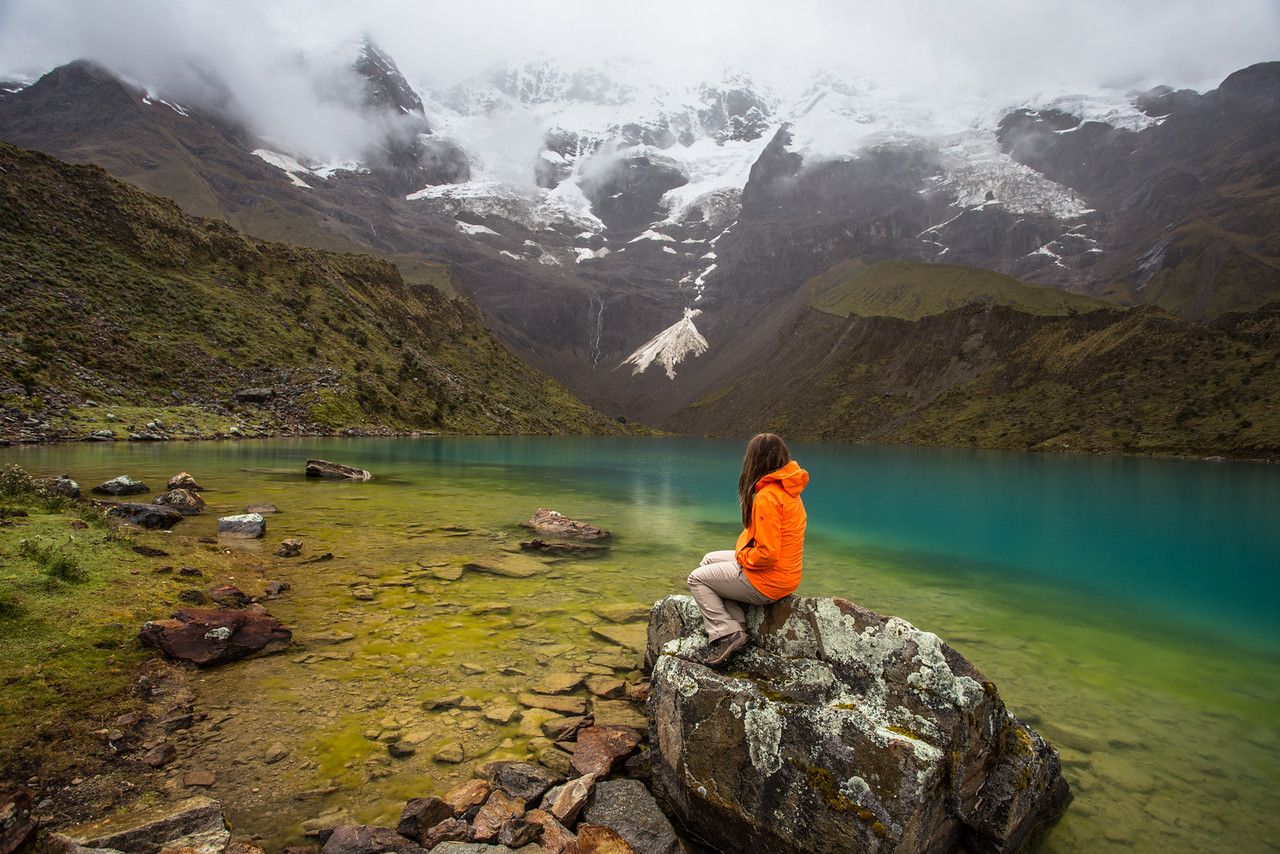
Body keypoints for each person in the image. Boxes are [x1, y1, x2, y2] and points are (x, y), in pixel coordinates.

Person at [687, 433, 808, 667]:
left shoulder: (767, 497)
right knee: (708, 560)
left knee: (696, 579)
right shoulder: (788, 489)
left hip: (768, 580)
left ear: (755, 460)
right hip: (786, 575)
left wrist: (742, 558)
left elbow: (767, 554)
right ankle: (737, 622)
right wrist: (744, 556)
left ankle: (726, 633)